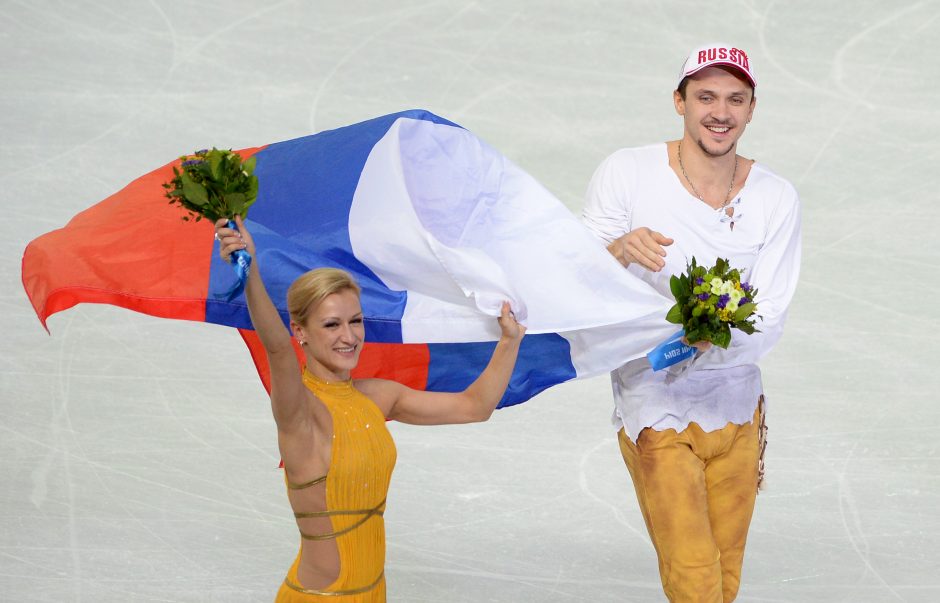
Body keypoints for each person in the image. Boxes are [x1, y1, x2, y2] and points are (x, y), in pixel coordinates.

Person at [581, 43, 801, 602]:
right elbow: (572, 283)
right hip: (655, 406)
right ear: (679, 101)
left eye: (735, 99)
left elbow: (769, 315)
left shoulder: (776, 197)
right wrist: (615, 251)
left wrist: (703, 342)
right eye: (705, 96)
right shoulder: (627, 172)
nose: (720, 112)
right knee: (695, 574)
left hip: (737, 409)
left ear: (752, 108)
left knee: (724, 578)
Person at [214, 216, 525, 602]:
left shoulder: (377, 396)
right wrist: (249, 269)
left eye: (355, 321)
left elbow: (473, 407)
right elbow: (277, 349)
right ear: (300, 332)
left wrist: (509, 341)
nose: (349, 337)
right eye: (331, 325)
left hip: (373, 593)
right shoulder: (301, 412)